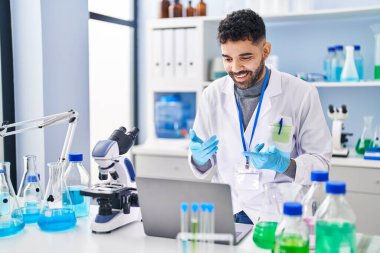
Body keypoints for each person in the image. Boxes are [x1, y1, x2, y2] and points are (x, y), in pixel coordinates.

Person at [188, 9, 332, 225]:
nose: (235, 68)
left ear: (265, 51)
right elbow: (203, 164)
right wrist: (199, 158)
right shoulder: (212, 94)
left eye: (245, 58)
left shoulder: (301, 93)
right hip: (227, 211)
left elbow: (321, 164)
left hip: (279, 215)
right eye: (227, 59)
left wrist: (285, 164)